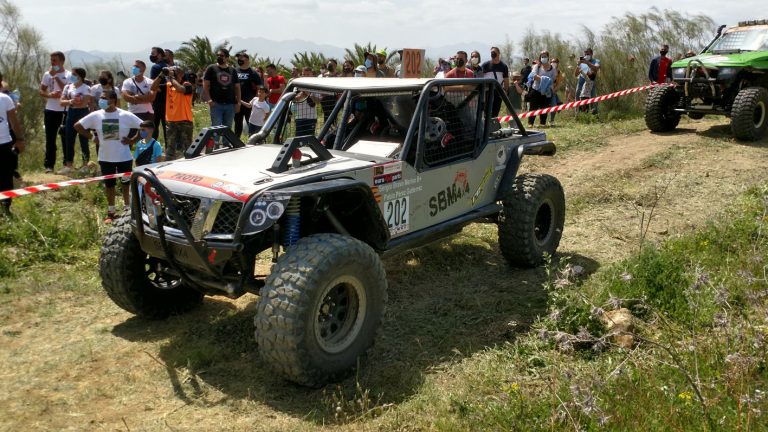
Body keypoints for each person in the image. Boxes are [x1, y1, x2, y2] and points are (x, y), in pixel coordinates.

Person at [74, 90, 142, 222]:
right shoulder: (96, 115)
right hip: (105, 157)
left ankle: (128, 210)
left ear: (113, 100)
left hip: (124, 157)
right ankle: (111, 212)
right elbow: (78, 126)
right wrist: (92, 137)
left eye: (104, 98)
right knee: (109, 185)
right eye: (101, 98)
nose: (101, 100)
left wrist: (133, 140)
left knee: (126, 183)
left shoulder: (125, 115)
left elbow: (145, 126)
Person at [39, 51, 70, 173]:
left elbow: (66, 90)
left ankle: (66, 164)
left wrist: (56, 77)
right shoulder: (47, 74)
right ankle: (49, 165)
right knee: (50, 138)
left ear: (62, 61)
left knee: (65, 138)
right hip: (50, 110)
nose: (52, 63)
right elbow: (41, 91)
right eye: (51, 60)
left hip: (64, 110)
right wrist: (49, 95)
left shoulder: (68, 75)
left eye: (55, 60)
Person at [153, 66, 193, 159]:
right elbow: (153, 87)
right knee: (170, 147)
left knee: (187, 147)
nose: (172, 73)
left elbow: (180, 89)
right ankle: (169, 163)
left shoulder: (187, 85)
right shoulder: (168, 85)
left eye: (174, 71)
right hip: (171, 120)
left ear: (181, 74)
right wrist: (161, 75)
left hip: (185, 120)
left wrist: (172, 78)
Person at [59, 67, 91, 173]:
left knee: (83, 139)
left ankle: (85, 164)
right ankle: (69, 165)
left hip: (83, 113)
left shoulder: (86, 88)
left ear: (80, 76)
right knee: (69, 139)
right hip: (71, 113)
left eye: (74, 74)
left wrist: (74, 101)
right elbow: (61, 102)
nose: (71, 76)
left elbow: (84, 103)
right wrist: (71, 101)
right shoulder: (68, 87)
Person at [0, 78, 25, 214]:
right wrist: (20, 139)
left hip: (4, 142)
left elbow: (13, 121)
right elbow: (14, 122)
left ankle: (5, 209)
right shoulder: (5, 99)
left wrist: (19, 139)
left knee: (6, 176)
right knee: (5, 177)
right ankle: (5, 209)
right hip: (4, 143)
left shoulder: (5, 99)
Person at [203, 48, 241, 129]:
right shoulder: (211, 68)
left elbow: (237, 87)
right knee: (215, 128)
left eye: (222, 56)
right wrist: (209, 100)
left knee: (227, 129)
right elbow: (205, 85)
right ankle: (215, 142)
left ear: (227, 58)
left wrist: (238, 103)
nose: (219, 57)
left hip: (230, 104)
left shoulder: (232, 70)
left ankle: (226, 142)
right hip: (216, 104)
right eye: (218, 55)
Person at [234, 51, 262, 138]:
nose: (239, 60)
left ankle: (252, 140)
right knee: (237, 124)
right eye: (238, 58)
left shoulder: (253, 73)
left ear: (247, 60)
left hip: (249, 104)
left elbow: (259, 87)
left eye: (242, 58)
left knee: (251, 123)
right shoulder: (234, 71)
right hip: (237, 102)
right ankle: (236, 142)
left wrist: (256, 100)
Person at [526, 50, 557, 127]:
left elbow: (553, 79)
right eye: (542, 56)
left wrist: (544, 80)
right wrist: (546, 79)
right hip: (536, 89)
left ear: (548, 57)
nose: (543, 58)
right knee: (533, 107)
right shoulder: (537, 66)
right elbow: (534, 76)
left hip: (546, 92)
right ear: (540, 58)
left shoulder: (552, 68)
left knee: (544, 107)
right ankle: (530, 123)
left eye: (545, 56)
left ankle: (543, 123)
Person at [481, 46, 510, 116]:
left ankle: (494, 124)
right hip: (487, 90)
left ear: (499, 53)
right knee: (486, 110)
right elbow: (480, 78)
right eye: (491, 53)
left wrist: (506, 91)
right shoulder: (485, 65)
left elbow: (506, 79)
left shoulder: (503, 66)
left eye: (494, 52)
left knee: (496, 110)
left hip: (498, 90)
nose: (492, 54)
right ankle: (486, 125)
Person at [148, 47, 168, 141]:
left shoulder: (155, 67)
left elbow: (154, 85)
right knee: (167, 128)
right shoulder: (168, 66)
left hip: (158, 102)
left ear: (159, 55)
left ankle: (152, 150)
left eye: (153, 53)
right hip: (169, 101)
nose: (151, 55)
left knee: (154, 127)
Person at [293, 66, 320, 136]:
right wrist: (298, 97)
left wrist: (308, 94)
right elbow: (293, 99)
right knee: (298, 140)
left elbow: (318, 101)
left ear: (312, 75)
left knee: (309, 140)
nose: (305, 76)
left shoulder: (316, 86)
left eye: (308, 74)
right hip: (299, 117)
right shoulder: (297, 85)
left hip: (311, 118)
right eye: (304, 74)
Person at [574, 48, 600, 115]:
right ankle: (578, 113)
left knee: (593, 96)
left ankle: (594, 114)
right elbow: (575, 74)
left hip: (591, 81)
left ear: (591, 54)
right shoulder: (582, 62)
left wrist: (587, 63)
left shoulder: (596, 61)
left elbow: (596, 68)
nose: (586, 55)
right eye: (585, 54)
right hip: (581, 81)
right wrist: (578, 64)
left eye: (588, 54)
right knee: (578, 95)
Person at [549, 58, 565, 125]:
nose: (553, 63)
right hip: (546, 90)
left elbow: (559, 84)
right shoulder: (547, 70)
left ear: (558, 63)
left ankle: (551, 120)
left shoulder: (559, 73)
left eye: (555, 62)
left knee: (554, 105)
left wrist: (554, 90)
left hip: (553, 92)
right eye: (552, 62)